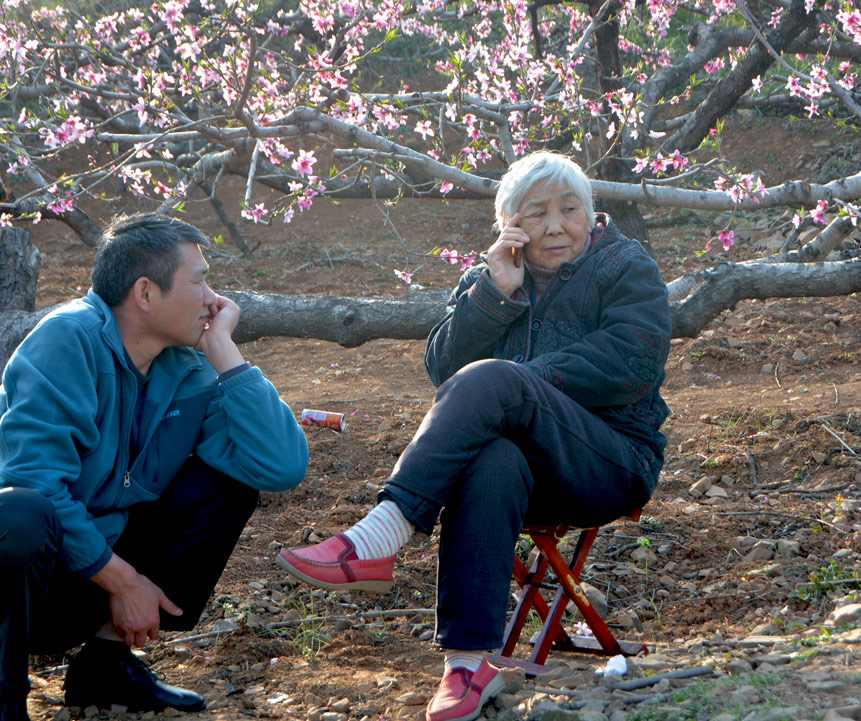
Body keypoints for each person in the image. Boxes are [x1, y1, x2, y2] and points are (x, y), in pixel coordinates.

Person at [276, 152, 670, 721]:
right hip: (524, 478)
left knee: (498, 382)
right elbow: (443, 370)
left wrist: (518, 382)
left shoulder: (625, 265)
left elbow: (632, 362)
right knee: (492, 461)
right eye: (537, 213)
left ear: (590, 212)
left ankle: (382, 534)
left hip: (609, 461)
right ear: (510, 223)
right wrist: (494, 294)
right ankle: (466, 667)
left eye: (570, 209)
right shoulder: (488, 278)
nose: (556, 226)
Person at [0, 213, 309, 721]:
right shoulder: (67, 339)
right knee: (22, 510)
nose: (214, 299)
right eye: (199, 281)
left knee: (228, 485)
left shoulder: (188, 368)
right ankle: (0, 689)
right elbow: (32, 482)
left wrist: (225, 352)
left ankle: (105, 665)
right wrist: (125, 582)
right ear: (145, 293)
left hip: (81, 580)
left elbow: (281, 466)